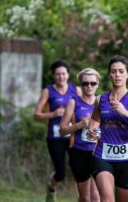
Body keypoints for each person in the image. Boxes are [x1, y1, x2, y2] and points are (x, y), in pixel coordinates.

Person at [87, 55, 128, 202]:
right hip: (102, 157)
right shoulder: (101, 99)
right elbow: (93, 123)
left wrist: (126, 113)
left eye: (121, 71)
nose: (117, 75)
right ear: (109, 74)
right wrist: (92, 132)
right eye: (113, 71)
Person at [34, 59, 80, 202]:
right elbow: (36, 115)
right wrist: (53, 114)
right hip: (54, 137)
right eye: (58, 74)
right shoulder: (48, 91)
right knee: (60, 173)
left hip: (72, 135)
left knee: (79, 170)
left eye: (63, 74)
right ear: (54, 76)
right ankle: (51, 189)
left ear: (68, 74)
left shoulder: (76, 90)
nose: (61, 77)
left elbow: (85, 107)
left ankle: (83, 198)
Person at [60, 68, 101, 202]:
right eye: (85, 83)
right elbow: (62, 130)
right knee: (85, 197)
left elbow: (108, 128)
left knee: (96, 197)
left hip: (97, 153)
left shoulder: (102, 102)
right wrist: (79, 125)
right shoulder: (74, 101)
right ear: (81, 85)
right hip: (79, 152)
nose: (89, 86)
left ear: (97, 84)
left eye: (92, 83)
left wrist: (100, 135)